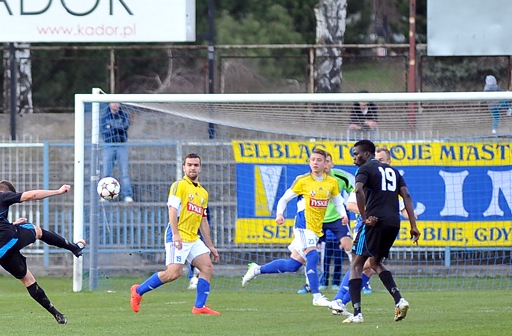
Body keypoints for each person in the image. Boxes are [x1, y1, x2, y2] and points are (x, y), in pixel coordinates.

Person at [242, 147, 348, 307]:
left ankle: (257, 269)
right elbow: (284, 199)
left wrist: (343, 214)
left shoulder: (331, 182)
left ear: (326, 163)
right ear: (309, 162)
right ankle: (317, 296)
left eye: (319, 160)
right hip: (303, 226)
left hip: (315, 229)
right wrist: (279, 214)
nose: (315, 163)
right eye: (313, 160)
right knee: (313, 256)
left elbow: (337, 200)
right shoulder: (303, 181)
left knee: (293, 265)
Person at [0, 181, 85, 324]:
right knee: (36, 230)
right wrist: (57, 191)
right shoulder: (1, 197)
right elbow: (31, 195)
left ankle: (56, 314)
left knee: (28, 280)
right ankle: (74, 248)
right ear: (6, 193)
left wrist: (11, 225)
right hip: (9, 239)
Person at [130, 153, 221, 315]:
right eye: (189, 165)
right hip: (177, 236)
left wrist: (211, 246)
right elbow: (172, 210)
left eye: (195, 165)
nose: (192, 168)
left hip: (193, 238)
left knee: (207, 267)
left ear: (200, 168)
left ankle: (199, 307)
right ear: (183, 167)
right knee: (173, 274)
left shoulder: (203, 193)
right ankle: (138, 291)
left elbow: (203, 221)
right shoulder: (179, 185)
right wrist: (176, 234)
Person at [343, 140, 420, 324]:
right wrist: (413, 225)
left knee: (356, 264)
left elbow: (359, 190)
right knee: (375, 261)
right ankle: (399, 300)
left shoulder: (365, 169)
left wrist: (364, 217)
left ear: (367, 154)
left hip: (374, 222)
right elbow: (407, 196)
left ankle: (357, 314)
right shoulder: (393, 171)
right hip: (394, 223)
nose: (354, 158)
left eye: (357, 154)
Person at [319, 151, 355, 290]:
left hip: (338, 219)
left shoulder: (340, 177)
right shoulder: (311, 179)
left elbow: (354, 192)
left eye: (328, 161)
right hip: (319, 220)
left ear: (331, 163)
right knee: (311, 252)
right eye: (324, 161)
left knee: (347, 248)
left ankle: (357, 280)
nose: (325, 164)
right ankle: (315, 283)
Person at [100, 102, 135, 203]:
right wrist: (117, 128)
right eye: (113, 102)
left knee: (124, 172)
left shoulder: (123, 115)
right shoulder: (105, 116)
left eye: (117, 102)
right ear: (109, 104)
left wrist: (112, 128)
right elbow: (104, 131)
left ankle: (127, 196)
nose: (115, 105)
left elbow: (125, 127)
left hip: (121, 145)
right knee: (107, 172)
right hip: (108, 146)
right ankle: (104, 195)